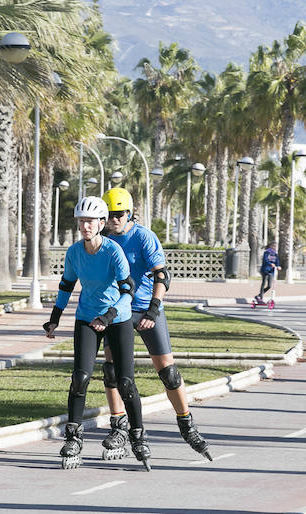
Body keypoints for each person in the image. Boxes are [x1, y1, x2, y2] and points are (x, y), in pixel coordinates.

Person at [99, 188, 212, 461]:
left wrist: (154, 308)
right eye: (109, 215)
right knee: (112, 371)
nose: (114, 220)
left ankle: (186, 423)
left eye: (119, 215)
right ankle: (119, 426)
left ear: (129, 213)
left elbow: (162, 275)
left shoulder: (144, 237)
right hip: (119, 311)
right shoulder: (101, 240)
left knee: (169, 373)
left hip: (148, 309)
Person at [43, 196, 152, 471]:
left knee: (125, 382)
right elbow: (67, 285)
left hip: (118, 318)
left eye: (90, 221)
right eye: (81, 221)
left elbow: (128, 291)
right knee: (80, 377)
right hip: (87, 318)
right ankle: (73, 438)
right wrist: (54, 319)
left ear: (101, 223)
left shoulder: (113, 252)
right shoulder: (74, 252)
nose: (85, 226)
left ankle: (138, 435)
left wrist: (110, 316)